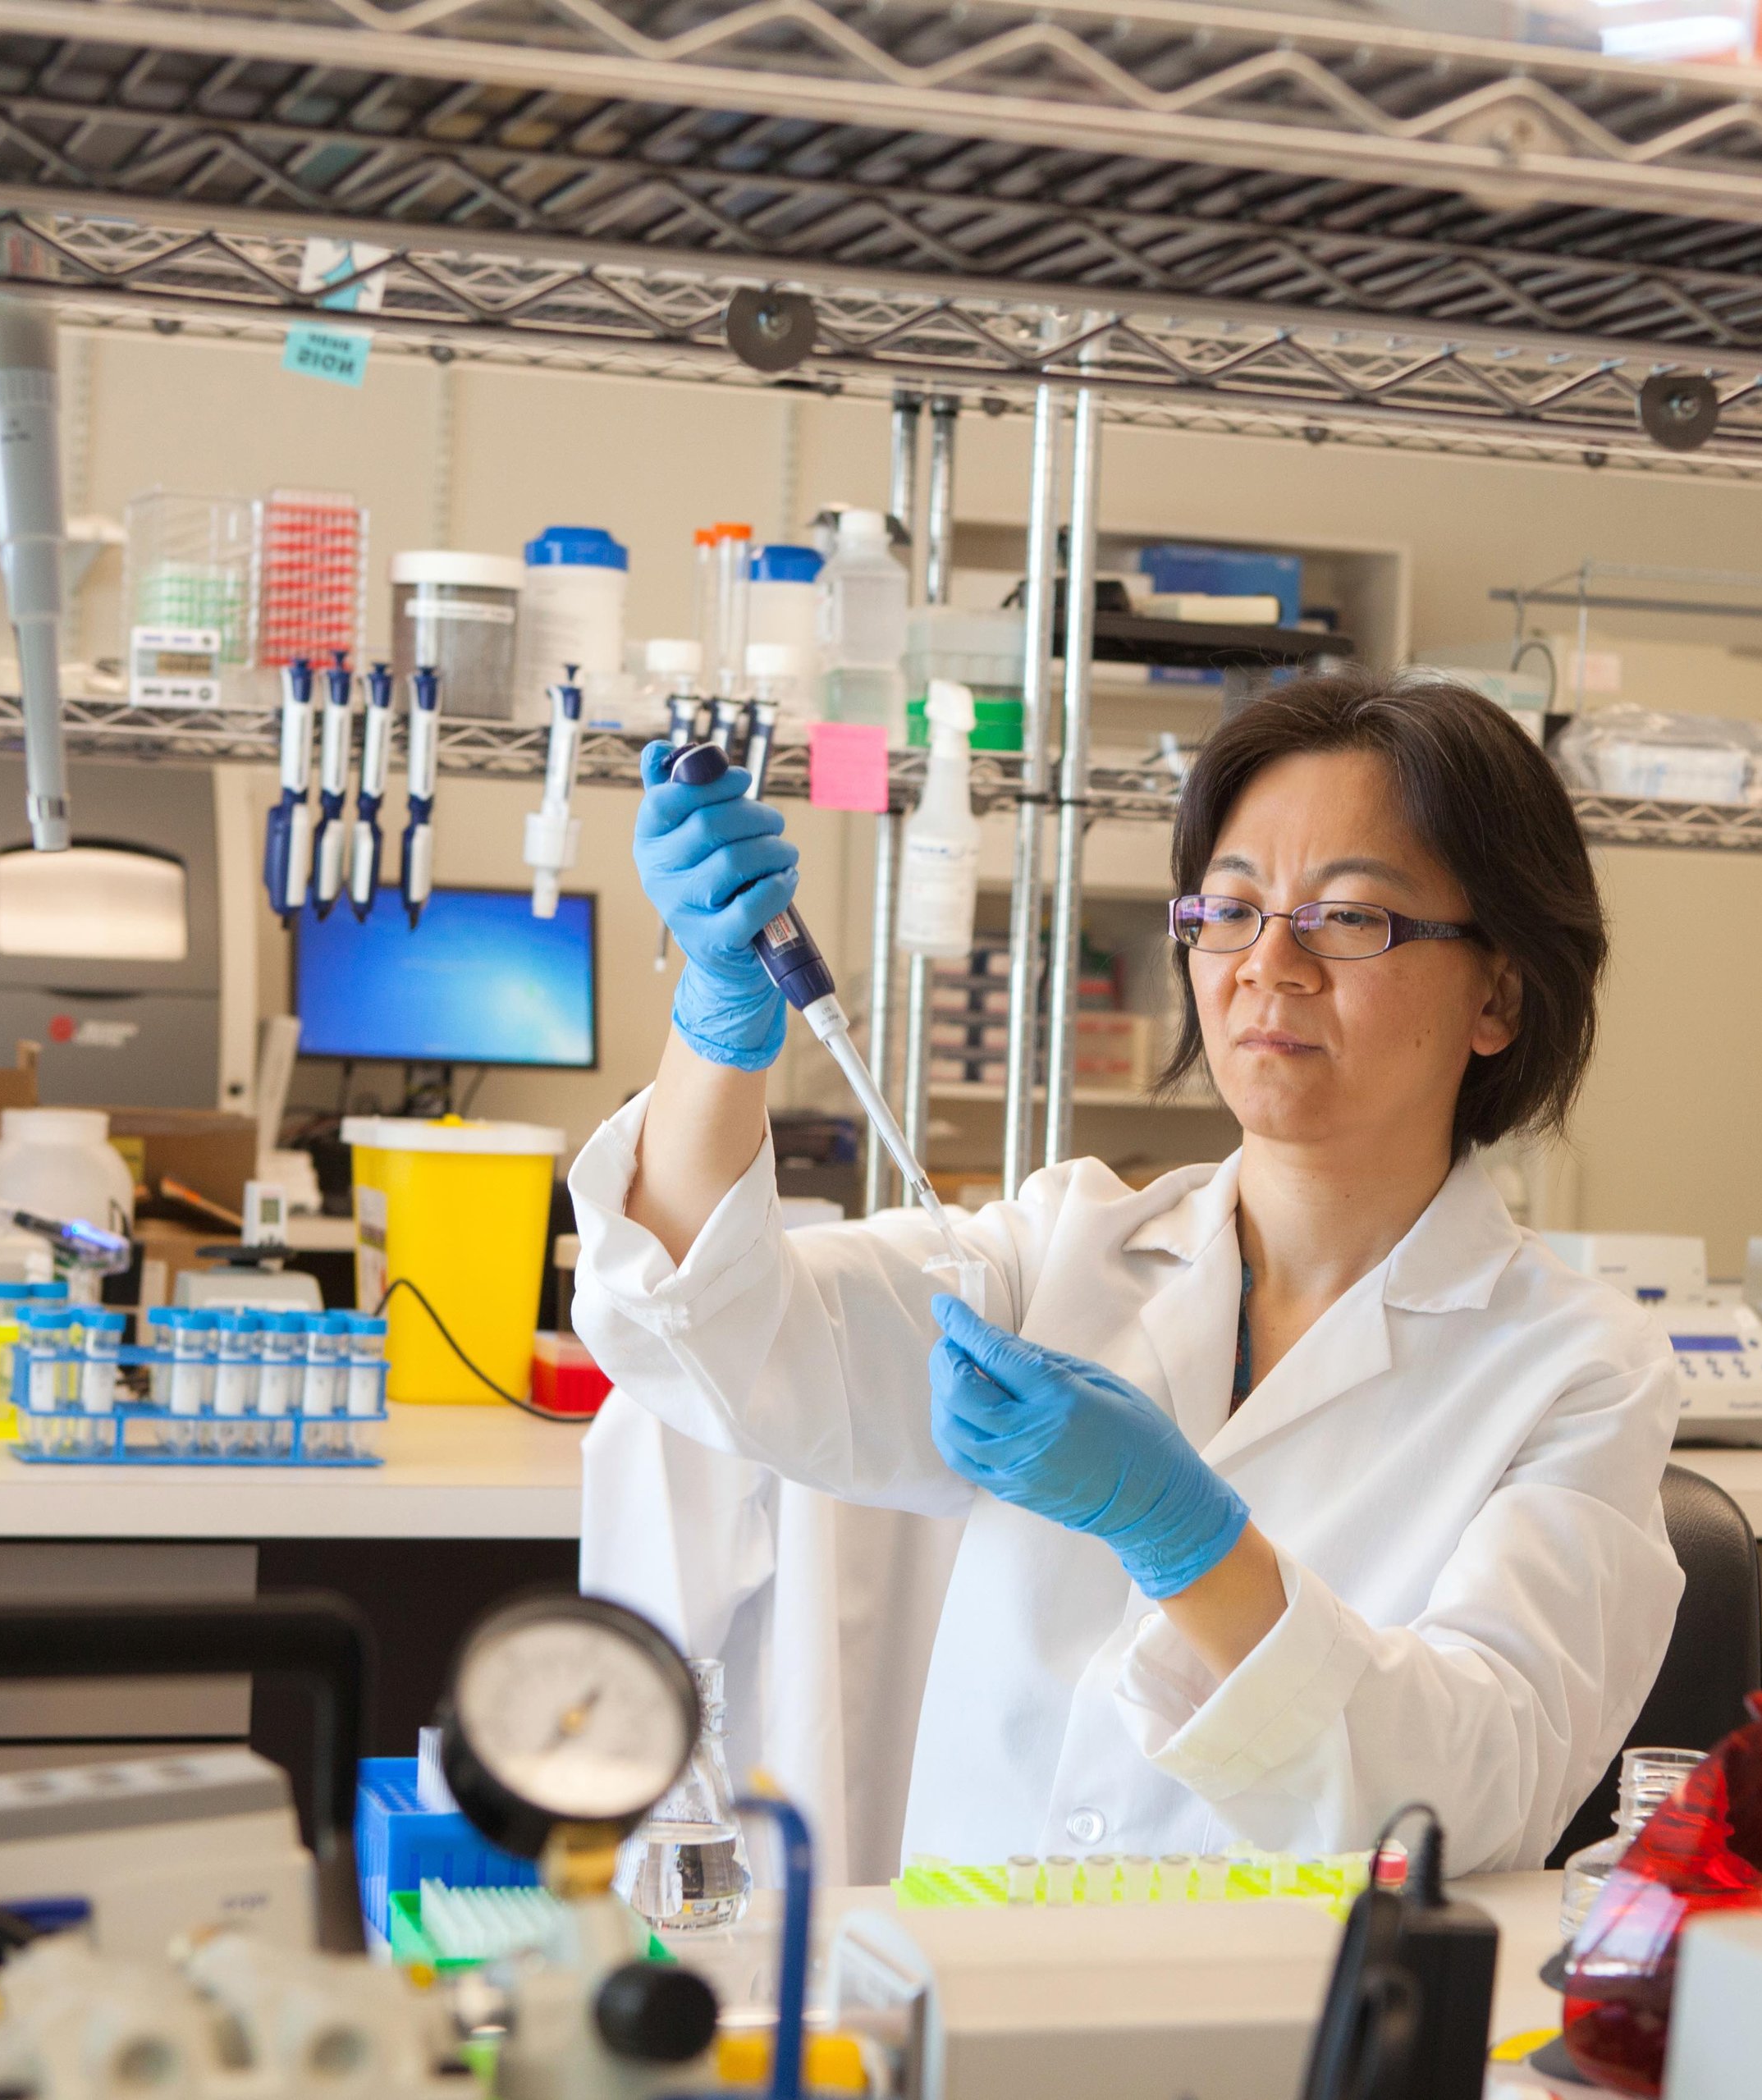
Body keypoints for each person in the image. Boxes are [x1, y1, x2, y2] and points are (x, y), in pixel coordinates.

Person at [569, 666, 1684, 1872]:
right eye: (1232, 908)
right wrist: (719, 1014)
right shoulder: (1063, 1251)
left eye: (1349, 917)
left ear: (1501, 996)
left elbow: (1477, 1792)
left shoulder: (1578, 1373)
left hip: (1293, 2031)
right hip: (971, 2008)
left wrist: (1188, 1541)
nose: (1271, 964)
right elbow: (714, 1335)